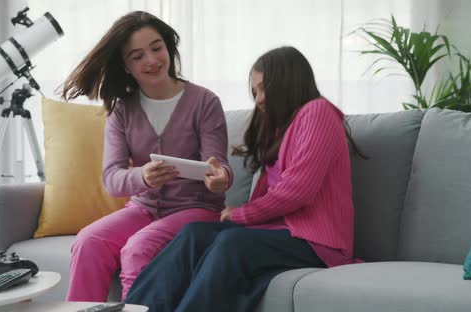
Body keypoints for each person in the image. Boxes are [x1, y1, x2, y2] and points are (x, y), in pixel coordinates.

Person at [124, 46, 365, 312]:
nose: (258, 100)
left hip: (318, 243)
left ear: (287, 83)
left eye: (263, 89)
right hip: (279, 234)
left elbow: (297, 191)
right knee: (193, 235)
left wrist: (242, 215)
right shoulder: (279, 126)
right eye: (254, 92)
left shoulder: (318, 112)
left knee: (232, 243)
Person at [60, 11, 234, 302]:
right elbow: (112, 179)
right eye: (138, 56)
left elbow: (218, 165)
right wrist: (142, 176)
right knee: (88, 241)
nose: (152, 61)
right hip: (143, 209)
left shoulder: (204, 102)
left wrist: (221, 178)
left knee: (138, 247)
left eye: (156, 48)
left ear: (168, 47)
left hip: (197, 209)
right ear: (126, 66)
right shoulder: (121, 110)